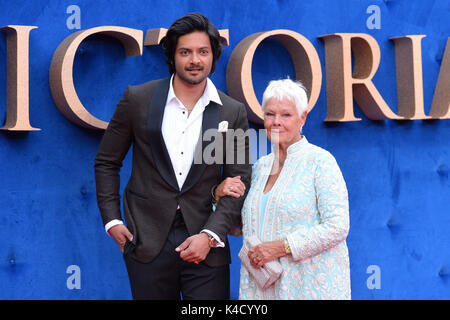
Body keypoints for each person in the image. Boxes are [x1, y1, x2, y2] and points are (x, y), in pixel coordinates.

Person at [94, 13, 251, 300]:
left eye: (203, 52)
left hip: (207, 242)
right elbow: (107, 162)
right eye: (185, 52)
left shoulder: (232, 111)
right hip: (146, 239)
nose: (195, 60)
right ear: (172, 56)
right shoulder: (137, 99)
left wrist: (210, 236)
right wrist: (112, 221)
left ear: (213, 56)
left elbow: (238, 180)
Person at [215, 78, 351, 299]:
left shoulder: (320, 161)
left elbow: (337, 226)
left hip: (309, 288)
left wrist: (281, 247)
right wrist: (218, 196)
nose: (276, 122)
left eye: (286, 115)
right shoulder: (259, 168)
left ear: (302, 117)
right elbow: (239, 229)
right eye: (270, 114)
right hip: (260, 289)